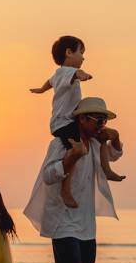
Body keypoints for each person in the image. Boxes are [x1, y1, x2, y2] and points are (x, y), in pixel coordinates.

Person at [23, 97, 124, 263]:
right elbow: (49, 175)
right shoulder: (62, 143)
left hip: (86, 222)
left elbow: (115, 155)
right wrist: (71, 157)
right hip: (62, 218)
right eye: (97, 119)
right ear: (81, 118)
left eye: (104, 119)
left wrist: (116, 136)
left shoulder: (96, 144)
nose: (101, 123)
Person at [30, 35, 125, 208]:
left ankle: (107, 170)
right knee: (76, 151)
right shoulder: (67, 72)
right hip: (63, 123)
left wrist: (41, 90)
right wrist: (83, 75)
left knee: (102, 138)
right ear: (68, 53)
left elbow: (49, 82)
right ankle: (65, 189)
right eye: (81, 52)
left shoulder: (58, 75)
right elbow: (76, 73)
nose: (83, 57)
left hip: (68, 121)